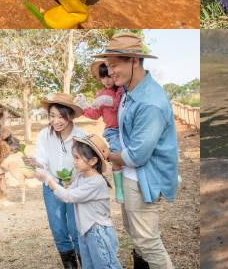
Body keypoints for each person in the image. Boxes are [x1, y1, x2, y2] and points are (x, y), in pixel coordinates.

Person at [93, 33, 178, 269]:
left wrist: (106, 155)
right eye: (108, 66)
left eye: (114, 65)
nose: (110, 72)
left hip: (143, 179)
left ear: (134, 61)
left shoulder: (150, 102)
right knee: (135, 233)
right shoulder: (128, 91)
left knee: (148, 241)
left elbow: (137, 156)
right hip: (130, 176)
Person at [36, 134, 123, 269]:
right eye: (74, 157)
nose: (74, 162)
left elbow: (68, 196)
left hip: (98, 232)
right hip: (85, 231)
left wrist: (48, 180)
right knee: (88, 266)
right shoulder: (81, 178)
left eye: (77, 158)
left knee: (106, 266)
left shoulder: (96, 182)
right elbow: (67, 193)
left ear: (93, 161)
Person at [26, 94, 88, 269]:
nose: (56, 121)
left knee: (76, 228)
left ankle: (85, 262)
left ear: (70, 115)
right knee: (58, 229)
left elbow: (88, 164)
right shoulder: (44, 135)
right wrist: (36, 166)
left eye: (61, 116)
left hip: (76, 185)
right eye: (52, 116)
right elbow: (42, 163)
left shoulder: (81, 136)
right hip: (52, 184)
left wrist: (74, 179)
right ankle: (70, 265)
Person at [75, 61, 125, 202]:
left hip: (127, 128)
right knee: (116, 157)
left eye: (108, 76)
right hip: (113, 131)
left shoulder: (121, 89)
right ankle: (119, 189)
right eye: (103, 77)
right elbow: (95, 114)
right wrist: (84, 105)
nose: (106, 80)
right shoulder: (100, 94)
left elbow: (119, 103)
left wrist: (107, 100)